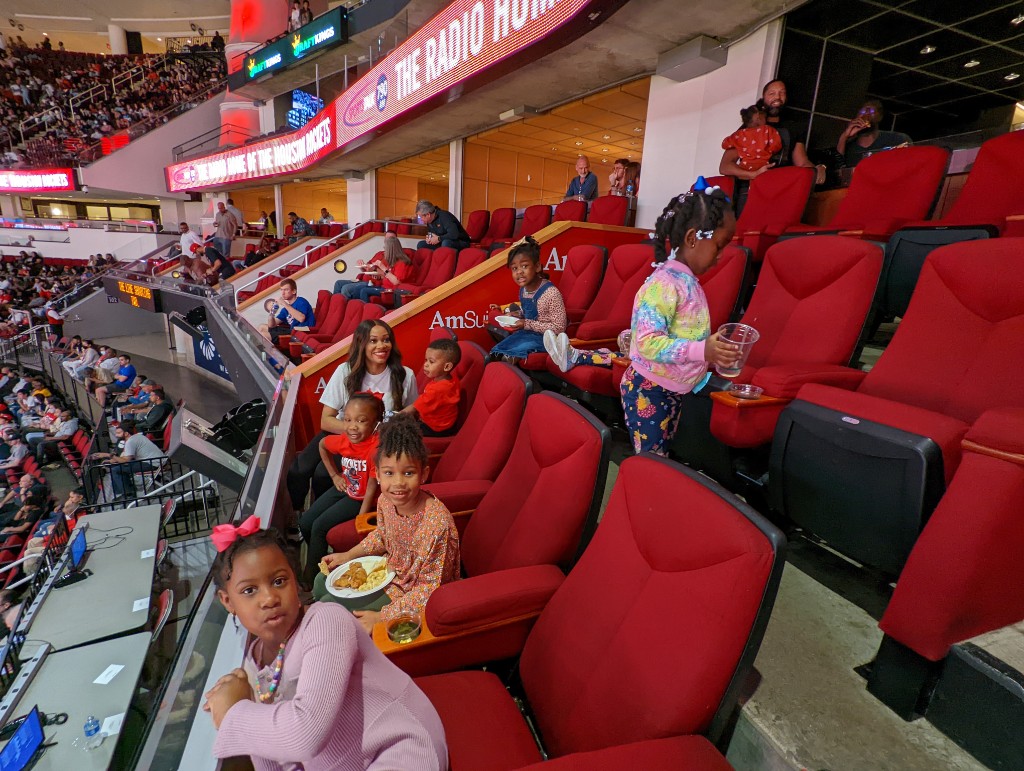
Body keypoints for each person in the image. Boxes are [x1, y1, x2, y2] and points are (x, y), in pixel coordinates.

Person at [204, 523, 447, 770]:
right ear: (227, 601)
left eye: (279, 581)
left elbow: (306, 734)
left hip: (401, 747)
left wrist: (232, 712)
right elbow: (273, 749)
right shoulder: (253, 663)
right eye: (249, 590)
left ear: (296, 581)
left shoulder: (327, 621)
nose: (268, 599)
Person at [619, 183, 741, 455]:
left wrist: (712, 352)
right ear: (692, 239)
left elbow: (685, 335)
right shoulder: (664, 284)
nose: (721, 257)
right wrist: (702, 350)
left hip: (670, 388)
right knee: (651, 462)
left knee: (661, 455)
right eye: (719, 246)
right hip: (648, 390)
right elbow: (649, 342)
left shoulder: (687, 281)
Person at [313, 415, 460, 635]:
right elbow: (382, 536)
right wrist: (349, 555)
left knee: (331, 606)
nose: (398, 483)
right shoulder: (385, 501)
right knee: (320, 582)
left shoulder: (438, 525)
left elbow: (431, 590)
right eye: (389, 473)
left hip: (409, 593)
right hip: (389, 570)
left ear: (424, 475)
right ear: (378, 474)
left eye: (408, 473)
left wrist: (382, 617)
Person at [286, 320, 416, 511]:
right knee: (299, 470)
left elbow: (411, 417)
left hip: (373, 444)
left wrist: (373, 433)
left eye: (386, 340)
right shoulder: (345, 371)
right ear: (361, 344)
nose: (381, 346)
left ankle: (320, 515)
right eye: (373, 341)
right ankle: (297, 517)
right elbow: (326, 420)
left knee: (322, 474)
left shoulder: (405, 375)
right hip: (343, 433)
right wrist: (356, 429)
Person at [299, 394, 383, 584]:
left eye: (361, 421)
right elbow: (322, 445)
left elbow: (371, 487)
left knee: (319, 527)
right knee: (305, 522)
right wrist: (335, 475)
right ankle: (319, 559)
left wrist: (361, 517)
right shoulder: (345, 439)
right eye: (347, 420)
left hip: (361, 498)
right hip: (346, 488)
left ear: (375, 423)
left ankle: (314, 578)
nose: (352, 426)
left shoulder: (375, 449)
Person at [720, 79, 825, 211]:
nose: (777, 97)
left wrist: (818, 169)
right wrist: (754, 174)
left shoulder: (793, 127)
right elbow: (725, 166)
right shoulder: (748, 128)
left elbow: (802, 162)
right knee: (748, 230)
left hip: (782, 192)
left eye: (782, 93)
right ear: (763, 98)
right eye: (772, 93)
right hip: (749, 192)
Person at [487, 236, 567, 362]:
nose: (519, 272)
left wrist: (526, 323)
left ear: (537, 267)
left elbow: (559, 327)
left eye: (524, 266)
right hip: (527, 333)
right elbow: (530, 313)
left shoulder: (551, 293)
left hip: (547, 340)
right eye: (515, 268)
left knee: (508, 356)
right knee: (496, 351)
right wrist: (517, 314)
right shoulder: (524, 290)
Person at [400, 339, 461, 437]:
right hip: (445, 423)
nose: (426, 364)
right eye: (426, 360)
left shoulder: (439, 389)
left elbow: (413, 408)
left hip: (436, 428)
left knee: (401, 429)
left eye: (431, 362)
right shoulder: (449, 379)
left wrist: (395, 417)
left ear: (447, 367)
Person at [91, 420, 164, 499]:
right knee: (117, 466)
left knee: (116, 470)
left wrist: (106, 455)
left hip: (153, 463)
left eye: (119, 433)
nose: (116, 435)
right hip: (156, 460)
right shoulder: (137, 437)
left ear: (126, 433)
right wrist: (112, 460)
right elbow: (126, 456)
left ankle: (128, 495)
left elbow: (125, 460)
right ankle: (124, 491)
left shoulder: (130, 442)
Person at [334, 232, 413, 303]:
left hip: (379, 285)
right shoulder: (387, 257)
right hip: (370, 281)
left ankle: (358, 311)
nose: (385, 249)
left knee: (348, 289)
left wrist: (379, 268)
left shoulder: (399, 261)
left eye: (386, 247)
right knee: (338, 283)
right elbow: (384, 274)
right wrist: (363, 266)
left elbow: (395, 281)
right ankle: (337, 306)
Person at [837, 100, 911, 169]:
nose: (866, 115)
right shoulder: (848, 147)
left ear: (880, 117)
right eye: (863, 112)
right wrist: (844, 136)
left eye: (871, 112)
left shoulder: (896, 139)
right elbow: (838, 168)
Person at [721, 104, 782, 173]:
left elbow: (725, 144)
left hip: (745, 167)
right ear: (758, 118)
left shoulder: (738, 134)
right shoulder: (767, 130)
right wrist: (769, 151)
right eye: (764, 117)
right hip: (763, 165)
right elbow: (776, 145)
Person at [258, 279, 314, 347]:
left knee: (264, 334)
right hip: (292, 331)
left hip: (301, 332)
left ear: (294, 291)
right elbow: (272, 326)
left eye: (286, 290)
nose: (283, 293)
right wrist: (272, 313)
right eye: (281, 290)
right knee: (261, 327)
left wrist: (284, 304)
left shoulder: (301, 301)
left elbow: (301, 318)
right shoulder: (285, 309)